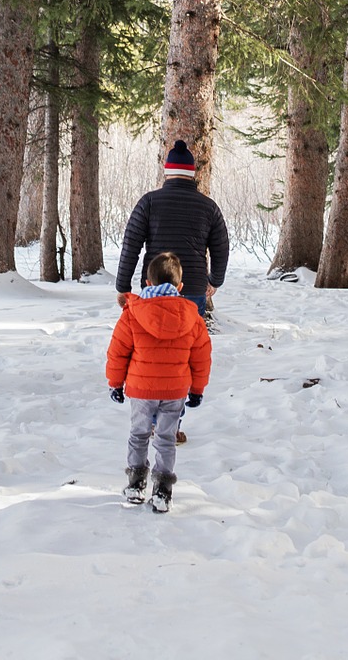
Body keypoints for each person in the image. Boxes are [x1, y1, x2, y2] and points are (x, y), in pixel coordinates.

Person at [106, 251, 211, 512]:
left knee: (139, 434)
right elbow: (201, 357)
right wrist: (197, 389)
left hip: (141, 390)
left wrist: (115, 383)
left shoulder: (132, 314)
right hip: (175, 390)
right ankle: (163, 489)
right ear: (180, 286)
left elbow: (118, 352)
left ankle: (135, 483)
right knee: (165, 438)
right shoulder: (193, 318)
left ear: (148, 284)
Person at [115, 139, 229, 318]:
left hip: (154, 287)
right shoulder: (209, 207)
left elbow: (130, 246)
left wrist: (123, 287)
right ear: (192, 173)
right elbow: (221, 249)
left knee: (152, 339)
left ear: (167, 170)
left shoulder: (149, 202)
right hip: (193, 287)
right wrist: (214, 281)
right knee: (190, 340)